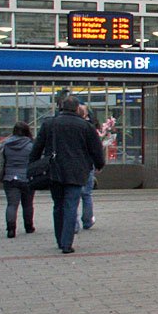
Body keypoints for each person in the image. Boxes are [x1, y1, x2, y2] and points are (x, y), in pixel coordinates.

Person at [30, 96, 105, 254]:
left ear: (61, 107)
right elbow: (96, 149)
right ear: (77, 108)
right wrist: (99, 164)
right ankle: (67, 243)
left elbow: (37, 147)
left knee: (58, 205)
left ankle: (59, 239)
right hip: (77, 172)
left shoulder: (49, 124)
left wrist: (32, 166)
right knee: (71, 205)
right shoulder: (85, 126)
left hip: (54, 170)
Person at [2, 121, 36, 238]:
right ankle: (29, 226)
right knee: (27, 204)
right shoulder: (31, 145)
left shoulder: (6, 145)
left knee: (12, 204)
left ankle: (11, 229)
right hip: (26, 178)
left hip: (10, 178)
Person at [74, 103, 98, 233]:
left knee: (73, 196)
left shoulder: (69, 126)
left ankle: (74, 224)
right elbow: (96, 148)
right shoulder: (90, 127)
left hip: (73, 166)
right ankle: (87, 221)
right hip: (88, 165)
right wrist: (99, 163)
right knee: (87, 194)